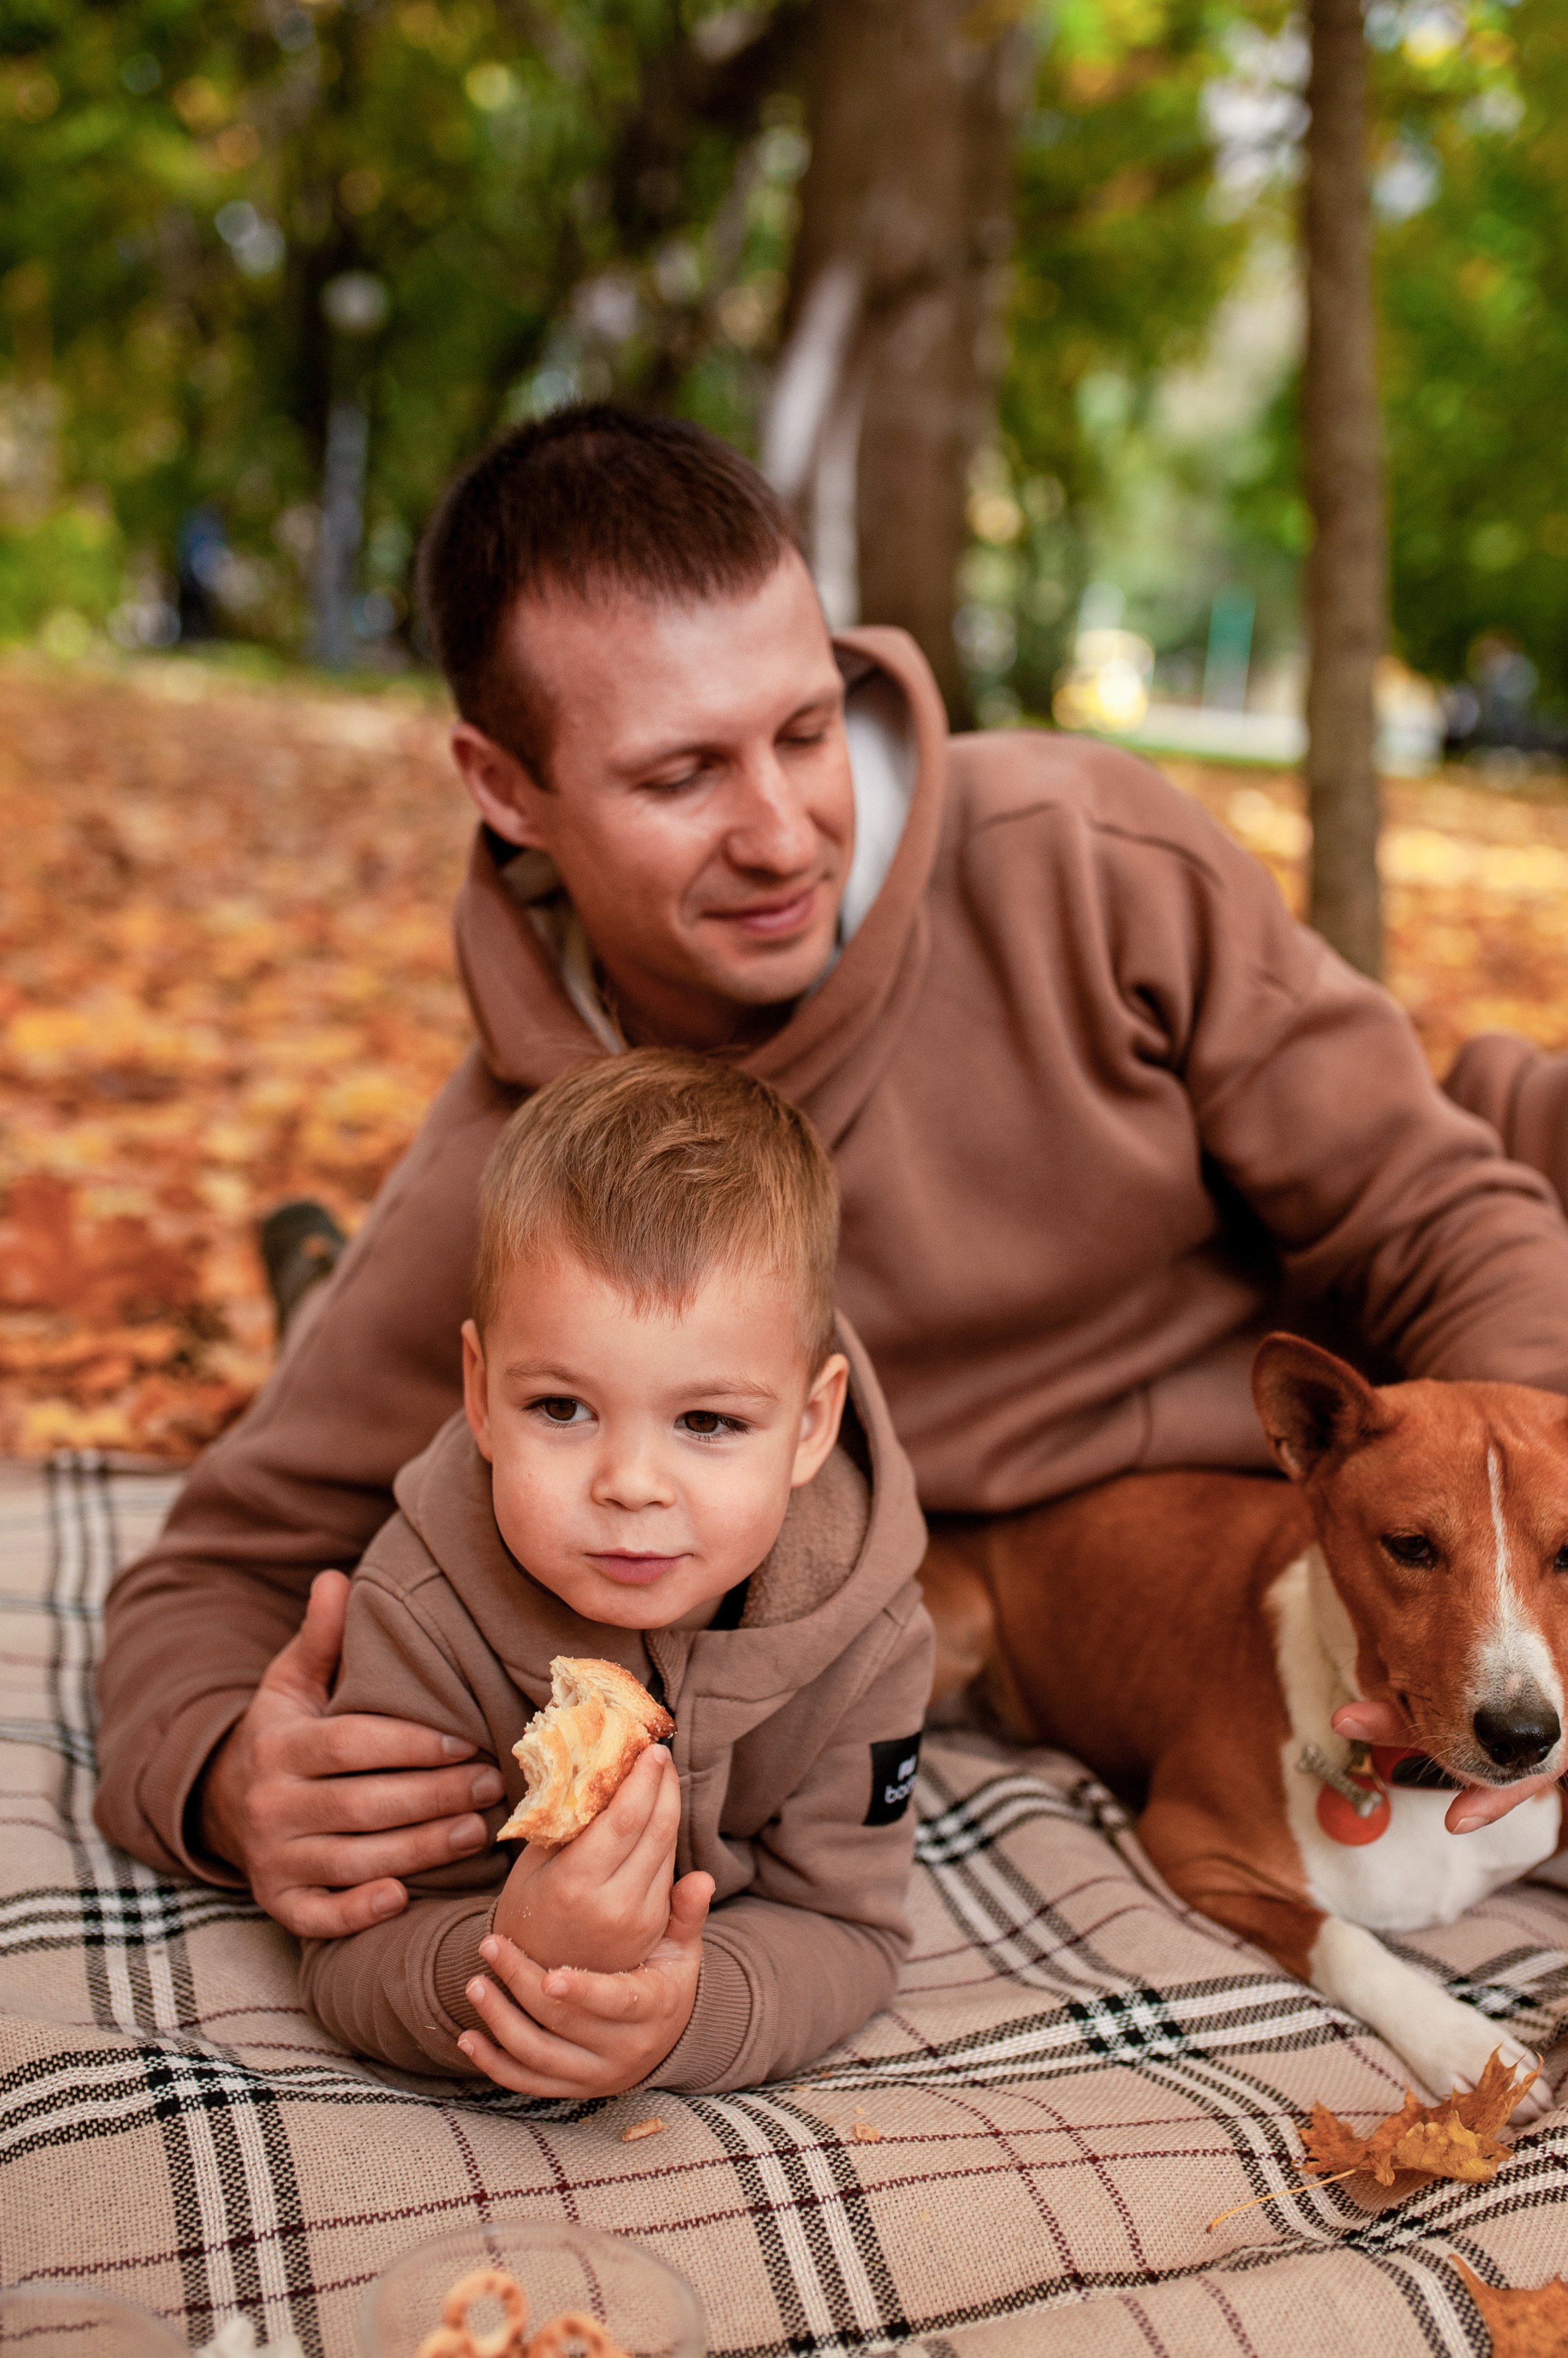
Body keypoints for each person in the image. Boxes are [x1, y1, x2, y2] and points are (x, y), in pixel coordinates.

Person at [96, 404, 1568, 1941]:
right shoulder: (523, 1174)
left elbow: (1437, 1211)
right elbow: (216, 1571)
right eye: (680, 778)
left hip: (1342, 1429)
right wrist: (223, 1775)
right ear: (507, 787)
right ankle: (313, 1275)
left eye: (802, 731)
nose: (783, 831)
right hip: (1080, 1593)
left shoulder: (1089, 854)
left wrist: (1522, 1569)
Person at [297, 1050, 930, 2093]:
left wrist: (688, 2013)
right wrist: (510, 1959)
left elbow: (849, 1925)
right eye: (561, 1408)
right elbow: (353, 1946)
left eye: (708, 1421)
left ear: (813, 1424)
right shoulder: (416, 1613)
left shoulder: (870, 1635)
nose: (632, 1483)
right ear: (480, 1391)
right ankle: (313, 1278)